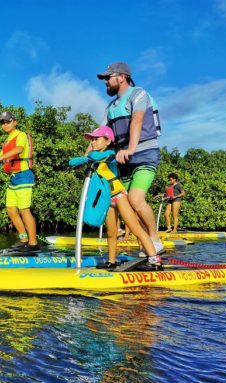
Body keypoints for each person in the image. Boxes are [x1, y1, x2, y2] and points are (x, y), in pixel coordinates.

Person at [69, 126, 162, 270]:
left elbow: (96, 157)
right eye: (92, 139)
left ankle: (154, 259)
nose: (92, 142)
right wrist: (83, 159)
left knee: (135, 228)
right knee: (111, 232)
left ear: (107, 141)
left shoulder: (111, 154)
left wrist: (86, 158)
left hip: (118, 196)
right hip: (106, 200)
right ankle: (111, 261)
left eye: (96, 139)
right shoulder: (92, 157)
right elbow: (71, 162)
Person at [97, 62, 163, 255]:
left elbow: (137, 120)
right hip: (123, 159)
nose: (106, 83)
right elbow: (100, 133)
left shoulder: (138, 94)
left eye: (108, 78)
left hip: (144, 153)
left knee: (135, 199)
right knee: (124, 206)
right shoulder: (111, 107)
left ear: (122, 77)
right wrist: (87, 157)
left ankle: (155, 239)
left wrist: (131, 148)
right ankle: (144, 247)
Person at [0, 111, 39, 252]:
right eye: (3, 123)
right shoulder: (7, 140)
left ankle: (33, 244)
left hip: (23, 175)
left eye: (8, 122)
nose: (5, 125)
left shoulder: (20, 135)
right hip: (13, 178)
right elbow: (0, 156)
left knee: (24, 210)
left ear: (14, 122)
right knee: (11, 209)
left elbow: (19, 149)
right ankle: (24, 239)